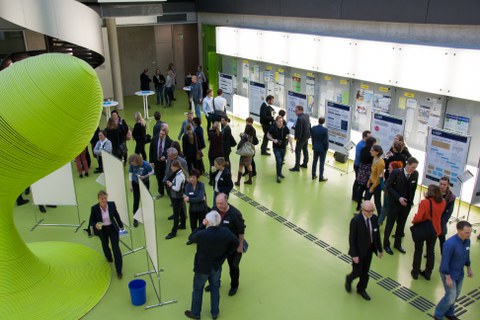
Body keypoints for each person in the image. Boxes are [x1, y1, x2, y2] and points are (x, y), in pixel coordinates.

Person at [184, 211, 239, 320]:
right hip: (216, 266)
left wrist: (202, 225)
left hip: (202, 268)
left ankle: (195, 313)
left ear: (208, 221)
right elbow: (236, 242)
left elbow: (191, 237)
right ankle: (214, 313)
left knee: (198, 289)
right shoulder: (226, 232)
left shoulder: (203, 234)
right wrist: (225, 254)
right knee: (215, 288)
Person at [433, 221, 473, 320]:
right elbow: (444, 262)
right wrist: (447, 277)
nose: (469, 234)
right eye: (467, 232)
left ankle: (449, 313)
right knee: (450, 296)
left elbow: (466, 255)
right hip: (448, 273)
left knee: (456, 295)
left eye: (470, 232)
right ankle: (438, 314)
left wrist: (468, 267)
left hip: (460, 273)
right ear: (459, 230)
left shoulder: (467, 241)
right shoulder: (450, 244)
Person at [345, 201, 383, 301]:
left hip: (369, 250)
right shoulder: (356, 221)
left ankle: (361, 289)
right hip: (358, 251)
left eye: (372, 210)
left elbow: (376, 235)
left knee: (365, 272)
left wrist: (380, 249)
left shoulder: (374, 219)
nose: (371, 213)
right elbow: (352, 238)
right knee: (357, 272)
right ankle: (349, 279)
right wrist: (354, 255)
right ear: (363, 210)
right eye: (369, 211)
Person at [211, 193, 246, 297]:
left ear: (226, 201)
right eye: (217, 203)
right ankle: (216, 283)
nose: (219, 206)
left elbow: (241, 231)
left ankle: (234, 286)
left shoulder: (235, 214)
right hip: (219, 246)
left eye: (221, 203)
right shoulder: (215, 210)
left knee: (233, 267)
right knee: (216, 266)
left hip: (232, 247)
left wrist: (240, 245)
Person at [383, 157, 419, 255]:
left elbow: (414, 189)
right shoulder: (396, 173)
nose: (414, 169)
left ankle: (397, 244)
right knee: (389, 224)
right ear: (407, 164)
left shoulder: (415, 174)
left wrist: (410, 202)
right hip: (394, 203)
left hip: (406, 206)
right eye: (412, 167)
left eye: (415, 168)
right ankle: (386, 244)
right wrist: (398, 198)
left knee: (401, 225)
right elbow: (388, 186)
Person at [411, 184, 446, 280]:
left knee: (418, 250)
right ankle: (427, 273)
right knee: (430, 251)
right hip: (435, 230)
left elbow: (418, 217)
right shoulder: (443, 202)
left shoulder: (425, 202)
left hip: (423, 229)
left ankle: (415, 272)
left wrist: (414, 221)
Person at [89, 190, 125, 279]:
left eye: (105, 198)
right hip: (102, 230)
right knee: (105, 245)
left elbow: (116, 215)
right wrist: (95, 224)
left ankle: (119, 271)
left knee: (116, 248)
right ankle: (109, 257)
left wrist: (121, 226)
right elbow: (91, 221)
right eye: (102, 199)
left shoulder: (112, 204)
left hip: (112, 229)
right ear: (98, 199)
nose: (104, 200)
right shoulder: (94, 208)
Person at [128, 154, 153, 227]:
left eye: (134, 163)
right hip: (135, 183)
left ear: (137, 161)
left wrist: (145, 176)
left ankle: (147, 216)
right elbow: (130, 174)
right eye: (132, 164)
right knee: (136, 201)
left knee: (145, 200)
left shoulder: (145, 164)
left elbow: (152, 171)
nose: (133, 165)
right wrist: (130, 185)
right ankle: (135, 219)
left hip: (145, 183)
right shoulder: (132, 165)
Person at [267, 115, 293, 183]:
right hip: (276, 148)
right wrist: (273, 140)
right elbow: (268, 135)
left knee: (281, 161)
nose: (280, 123)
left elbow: (289, 137)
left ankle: (280, 172)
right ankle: (278, 176)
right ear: (276, 122)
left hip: (283, 147)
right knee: (279, 160)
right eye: (279, 121)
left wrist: (292, 146)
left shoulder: (285, 128)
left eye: (281, 121)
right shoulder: (273, 128)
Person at [184, 169, 208, 239]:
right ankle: (193, 238)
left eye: (193, 177)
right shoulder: (187, 186)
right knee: (193, 226)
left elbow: (200, 198)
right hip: (192, 210)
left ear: (197, 178)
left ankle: (201, 239)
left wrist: (190, 199)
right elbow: (189, 200)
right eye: (190, 177)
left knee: (202, 225)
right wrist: (197, 199)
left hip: (202, 209)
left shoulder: (201, 185)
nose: (191, 179)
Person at [165, 159, 186, 239]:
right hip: (179, 197)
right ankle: (183, 224)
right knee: (181, 211)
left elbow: (176, 188)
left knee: (176, 214)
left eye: (172, 166)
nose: (171, 168)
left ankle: (173, 232)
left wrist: (170, 184)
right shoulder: (179, 173)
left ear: (176, 167)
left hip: (176, 197)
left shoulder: (179, 176)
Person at [149, 127, 172, 199]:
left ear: (166, 134)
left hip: (165, 164)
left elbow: (171, 152)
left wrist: (165, 157)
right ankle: (161, 192)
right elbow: (151, 150)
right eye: (160, 133)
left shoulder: (169, 142)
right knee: (159, 178)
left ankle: (169, 193)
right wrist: (151, 161)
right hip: (156, 162)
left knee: (167, 178)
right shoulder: (155, 139)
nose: (161, 135)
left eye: (163, 134)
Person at [355, 137, 377, 210]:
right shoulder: (372, 152)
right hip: (369, 171)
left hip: (362, 170)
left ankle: (358, 204)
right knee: (368, 189)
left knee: (361, 188)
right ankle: (365, 206)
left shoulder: (363, 149)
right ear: (373, 143)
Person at [365, 145, 384, 219]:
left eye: (372, 150)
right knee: (366, 199)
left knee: (377, 202)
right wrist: (369, 181)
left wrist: (372, 187)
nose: (370, 151)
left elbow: (379, 178)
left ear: (377, 152)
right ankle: (362, 214)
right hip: (372, 183)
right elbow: (373, 173)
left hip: (377, 185)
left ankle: (380, 217)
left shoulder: (380, 163)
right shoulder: (374, 159)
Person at [289, 105, 311, 172]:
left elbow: (299, 130)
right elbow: (309, 125)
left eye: (296, 111)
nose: (295, 112)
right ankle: (305, 163)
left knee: (297, 151)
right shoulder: (307, 116)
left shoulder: (299, 119)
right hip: (306, 136)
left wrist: (297, 138)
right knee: (305, 149)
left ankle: (297, 166)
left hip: (301, 138)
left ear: (301, 110)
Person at [438, 176, 456, 254]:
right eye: (441, 184)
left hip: (442, 220)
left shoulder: (451, 197)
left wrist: (443, 221)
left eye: (444, 185)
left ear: (448, 185)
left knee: (442, 238)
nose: (442, 186)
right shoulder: (435, 192)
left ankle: (444, 254)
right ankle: (428, 252)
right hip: (433, 218)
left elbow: (449, 211)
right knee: (431, 238)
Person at [353, 130, 372, 200]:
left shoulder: (366, 145)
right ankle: (355, 196)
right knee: (358, 181)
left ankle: (358, 195)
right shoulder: (360, 145)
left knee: (360, 181)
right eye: (369, 137)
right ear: (365, 137)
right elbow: (358, 156)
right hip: (358, 165)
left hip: (362, 166)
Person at [310, 117, 329, 181]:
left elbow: (312, 138)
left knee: (314, 161)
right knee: (322, 163)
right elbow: (326, 141)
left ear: (318, 121)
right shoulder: (325, 130)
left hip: (315, 147)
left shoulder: (313, 128)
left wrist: (313, 145)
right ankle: (321, 177)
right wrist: (326, 148)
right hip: (322, 149)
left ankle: (313, 175)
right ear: (323, 122)